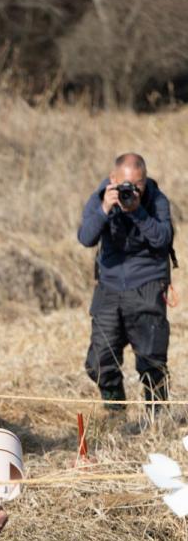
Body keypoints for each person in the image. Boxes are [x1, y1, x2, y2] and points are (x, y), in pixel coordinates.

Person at [78, 152, 174, 410]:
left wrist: (137, 212)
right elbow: (86, 238)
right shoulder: (102, 198)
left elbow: (163, 239)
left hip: (147, 284)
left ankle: (157, 417)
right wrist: (104, 209)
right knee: (99, 360)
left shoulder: (156, 199)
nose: (133, 190)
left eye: (138, 185)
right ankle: (115, 411)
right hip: (109, 287)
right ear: (113, 180)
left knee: (151, 362)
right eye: (127, 185)